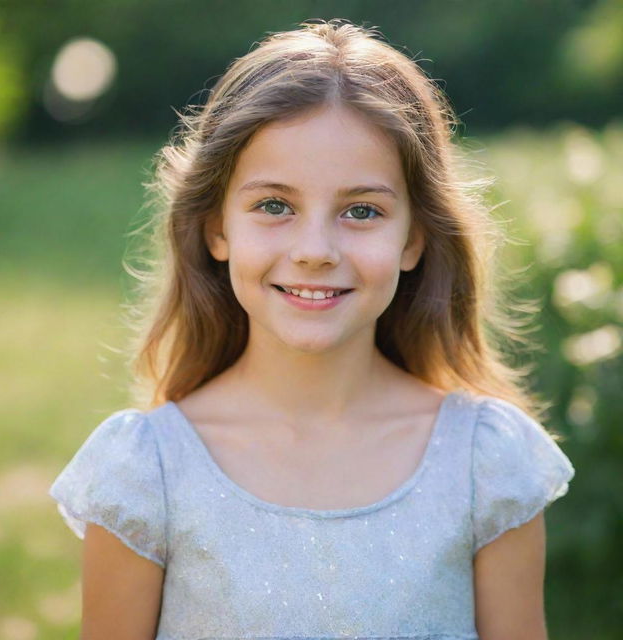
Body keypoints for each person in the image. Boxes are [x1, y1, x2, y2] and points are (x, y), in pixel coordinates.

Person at [48, 18, 576, 640]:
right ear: (217, 229)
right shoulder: (145, 474)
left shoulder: (486, 463)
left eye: (361, 211)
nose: (315, 250)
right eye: (275, 205)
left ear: (414, 239)